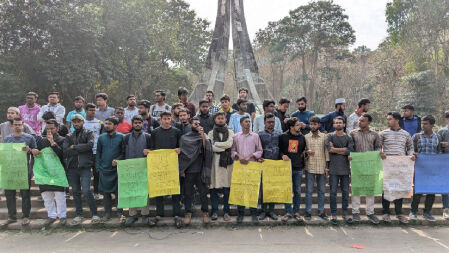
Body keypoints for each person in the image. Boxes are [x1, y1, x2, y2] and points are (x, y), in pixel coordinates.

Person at [63, 114, 100, 225]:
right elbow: (65, 150)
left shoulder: (89, 133)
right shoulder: (69, 135)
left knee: (86, 191)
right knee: (75, 192)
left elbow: (90, 145)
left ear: (83, 122)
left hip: (85, 167)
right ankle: (79, 215)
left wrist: (74, 147)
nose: (76, 124)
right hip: (72, 168)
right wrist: (80, 148)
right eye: (74, 122)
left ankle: (95, 214)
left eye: (78, 121)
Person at [1, 118, 37, 227]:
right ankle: (12, 216)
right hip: (10, 171)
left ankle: (26, 216)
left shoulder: (29, 137)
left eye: (19, 124)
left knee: (25, 194)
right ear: (11, 126)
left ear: (23, 125)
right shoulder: (7, 139)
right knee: (9, 194)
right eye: (15, 125)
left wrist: (29, 150)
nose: (17, 126)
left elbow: (36, 153)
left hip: (24, 170)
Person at [379, 111, 414, 224]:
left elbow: (410, 147)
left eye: (390, 119)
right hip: (387, 165)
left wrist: (411, 155)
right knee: (386, 188)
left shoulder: (405, 134)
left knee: (399, 188)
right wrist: (380, 153)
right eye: (388, 119)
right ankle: (386, 213)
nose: (388, 121)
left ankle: (399, 213)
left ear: (397, 120)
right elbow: (378, 147)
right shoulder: (383, 133)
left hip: (401, 166)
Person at [149, 111, 183, 228]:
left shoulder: (177, 132)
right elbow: (152, 148)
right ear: (160, 119)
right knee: (159, 188)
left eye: (169, 118)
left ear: (171, 119)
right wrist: (149, 152)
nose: (167, 121)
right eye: (165, 119)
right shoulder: (154, 132)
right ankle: (159, 214)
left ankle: (177, 214)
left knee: (174, 190)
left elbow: (180, 146)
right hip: (158, 165)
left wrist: (179, 150)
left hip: (173, 164)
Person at [179, 117, 213, 225]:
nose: (197, 125)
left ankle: (205, 212)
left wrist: (202, 134)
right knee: (188, 193)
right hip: (188, 171)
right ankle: (188, 212)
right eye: (195, 124)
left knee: (203, 193)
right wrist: (182, 170)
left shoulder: (203, 136)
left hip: (200, 170)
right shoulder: (184, 138)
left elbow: (205, 148)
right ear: (190, 125)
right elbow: (183, 155)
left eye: (198, 124)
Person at [34, 119, 67, 227]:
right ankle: (51, 216)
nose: (49, 130)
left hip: (58, 173)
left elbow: (63, 155)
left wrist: (53, 143)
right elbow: (38, 155)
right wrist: (36, 152)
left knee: (60, 196)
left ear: (57, 128)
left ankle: (62, 216)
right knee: (46, 196)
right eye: (47, 128)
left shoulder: (63, 140)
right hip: (45, 172)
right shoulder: (42, 141)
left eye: (52, 128)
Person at [349, 113, 381, 224]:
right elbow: (350, 148)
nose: (360, 122)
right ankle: (355, 212)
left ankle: (370, 213)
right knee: (356, 189)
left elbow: (378, 147)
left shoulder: (375, 135)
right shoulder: (352, 134)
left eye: (362, 120)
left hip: (370, 166)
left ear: (368, 122)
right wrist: (350, 156)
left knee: (370, 190)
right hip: (357, 166)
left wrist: (378, 154)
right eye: (359, 120)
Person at [231, 116, 263, 223]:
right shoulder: (236, 137)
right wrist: (238, 156)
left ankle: (253, 213)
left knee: (252, 190)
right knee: (240, 189)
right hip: (240, 167)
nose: (248, 123)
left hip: (252, 166)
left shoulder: (255, 136)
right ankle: (240, 214)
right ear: (241, 124)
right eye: (246, 122)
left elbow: (260, 150)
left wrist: (250, 156)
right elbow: (232, 151)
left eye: (249, 122)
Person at [121, 115, 152, 226]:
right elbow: (123, 153)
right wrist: (118, 161)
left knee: (144, 192)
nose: (137, 124)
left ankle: (144, 215)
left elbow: (153, 151)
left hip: (144, 168)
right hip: (130, 169)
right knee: (131, 192)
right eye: (135, 122)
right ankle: (132, 214)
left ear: (143, 124)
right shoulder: (126, 137)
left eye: (139, 122)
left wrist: (149, 151)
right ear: (132, 124)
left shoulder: (148, 137)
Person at [410, 115, 441, 222]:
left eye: (426, 124)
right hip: (420, 169)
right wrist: (414, 154)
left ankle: (427, 212)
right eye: (422, 123)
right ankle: (413, 211)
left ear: (432, 125)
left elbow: (439, 153)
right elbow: (411, 151)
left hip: (432, 169)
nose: (423, 125)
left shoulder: (438, 137)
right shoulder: (416, 136)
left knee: (431, 192)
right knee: (417, 191)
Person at [96, 116, 125, 222]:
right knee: (106, 193)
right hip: (104, 169)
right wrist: (98, 167)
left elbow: (124, 153)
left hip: (117, 170)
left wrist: (118, 159)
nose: (106, 125)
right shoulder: (101, 137)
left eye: (109, 124)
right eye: (106, 123)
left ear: (116, 126)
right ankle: (107, 213)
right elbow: (98, 153)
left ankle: (119, 212)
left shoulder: (122, 137)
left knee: (118, 192)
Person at [326, 116, 354, 225]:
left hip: (345, 170)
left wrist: (335, 149)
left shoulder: (348, 137)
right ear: (333, 125)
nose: (338, 124)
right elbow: (329, 149)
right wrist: (343, 149)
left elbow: (350, 150)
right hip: (333, 169)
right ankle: (333, 214)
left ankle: (345, 213)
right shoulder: (329, 136)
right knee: (333, 192)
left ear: (344, 124)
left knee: (345, 192)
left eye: (340, 123)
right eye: (336, 123)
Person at [279, 117, 306, 222]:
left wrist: (303, 164)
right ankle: (288, 212)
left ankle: (297, 212)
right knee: (287, 190)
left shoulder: (302, 138)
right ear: (291, 127)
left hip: (298, 168)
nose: (300, 126)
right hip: (286, 168)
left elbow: (303, 152)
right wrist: (282, 155)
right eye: (297, 125)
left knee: (298, 191)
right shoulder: (283, 137)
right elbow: (279, 150)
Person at [208, 112, 234, 222]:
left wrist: (217, 144)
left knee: (227, 187)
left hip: (227, 163)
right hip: (215, 162)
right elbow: (210, 148)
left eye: (222, 118)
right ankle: (214, 211)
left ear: (225, 120)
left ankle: (226, 212)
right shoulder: (210, 133)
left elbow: (229, 144)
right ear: (214, 120)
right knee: (213, 187)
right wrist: (222, 147)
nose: (220, 120)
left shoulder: (231, 132)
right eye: (218, 118)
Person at [304, 116, 329, 221]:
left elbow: (326, 152)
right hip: (310, 167)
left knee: (322, 190)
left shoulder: (324, 136)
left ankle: (321, 211)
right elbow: (303, 151)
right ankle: (308, 211)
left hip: (321, 166)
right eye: (311, 124)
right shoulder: (306, 137)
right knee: (309, 190)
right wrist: (306, 152)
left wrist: (327, 168)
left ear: (319, 125)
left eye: (315, 124)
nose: (312, 126)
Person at [257, 113, 280, 221]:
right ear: (264, 123)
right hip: (263, 165)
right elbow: (257, 148)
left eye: (273, 122)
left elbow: (281, 148)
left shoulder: (279, 134)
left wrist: (282, 157)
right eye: (269, 122)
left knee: (273, 189)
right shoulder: (259, 135)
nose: (271, 124)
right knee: (263, 189)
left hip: (276, 165)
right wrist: (258, 157)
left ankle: (271, 211)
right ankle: (263, 211)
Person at [83, 103, 104, 200]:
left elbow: (102, 137)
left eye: (94, 110)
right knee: (84, 173)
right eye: (90, 110)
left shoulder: (99, 123)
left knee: (97, 173)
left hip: (96, 152)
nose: (92, 112)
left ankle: (97, 192)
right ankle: (85, 193)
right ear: (86, 111)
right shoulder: (81, 122)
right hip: (84, 152)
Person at [437, 110, 449, 220]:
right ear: (446, 119)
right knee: (446, 186)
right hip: (445, 162)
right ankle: (446, 209)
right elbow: (437, 146)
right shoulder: (442, 131)